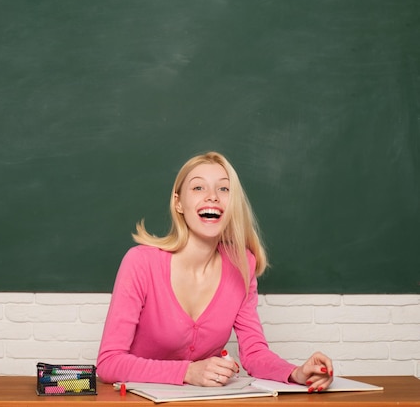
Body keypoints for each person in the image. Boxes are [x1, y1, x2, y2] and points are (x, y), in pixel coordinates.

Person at [96, 151, 334, 393]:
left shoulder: (243, 265)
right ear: (178, 202)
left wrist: (295, 373)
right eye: (198, 188)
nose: (212, 197)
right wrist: (188, 372)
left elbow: (253, 352)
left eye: (224, 189)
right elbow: (109, 363)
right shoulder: (140, 263)